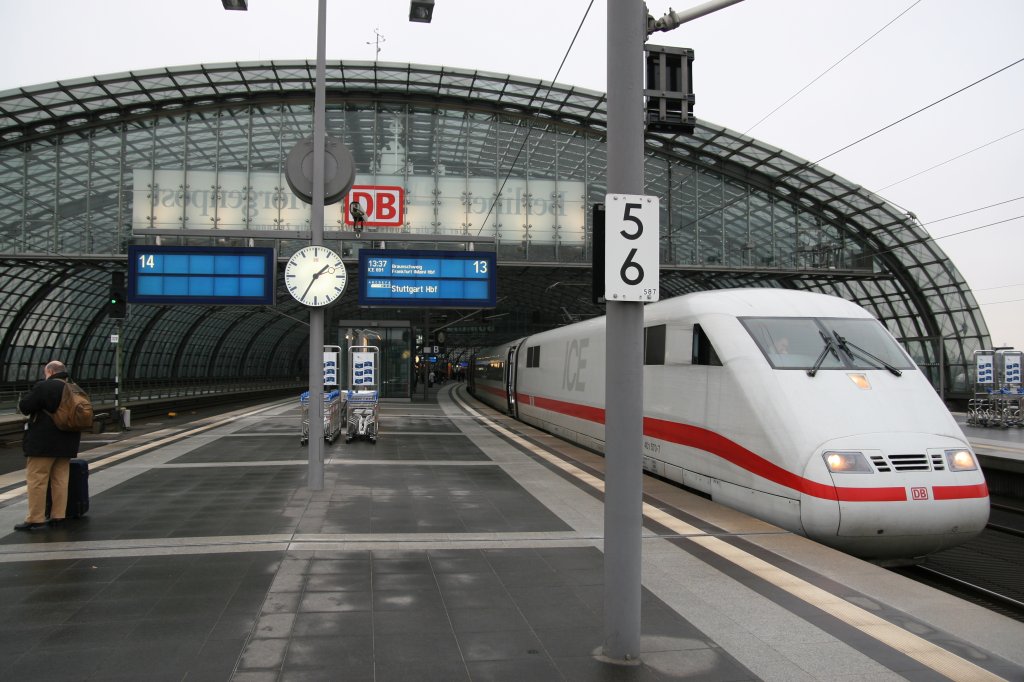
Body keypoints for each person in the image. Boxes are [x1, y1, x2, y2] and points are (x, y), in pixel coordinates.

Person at [15, 360, 82, 531]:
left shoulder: (45, 387)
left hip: (43, 443)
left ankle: (35, 518)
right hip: (67, 441)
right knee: (60, 479)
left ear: (50, 372)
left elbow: (25, 407)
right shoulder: (74, 388)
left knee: (37, 479)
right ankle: (58, 515)